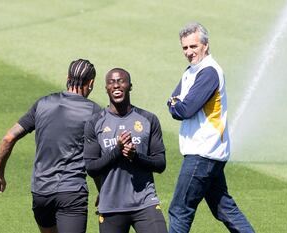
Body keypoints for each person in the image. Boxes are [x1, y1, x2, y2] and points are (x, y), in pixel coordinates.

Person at [0, 59, 101, 233]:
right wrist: (104, 190)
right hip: (71, 192)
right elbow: (97, 157)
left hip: (41, 193)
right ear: (91, 83)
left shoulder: (43, 103)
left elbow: (8, 138)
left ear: (67, 77)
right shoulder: (94, 112)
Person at [167, 22, 255, 233]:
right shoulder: (190, 72)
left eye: (193, 46)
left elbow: (184, 110)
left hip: (201, 153)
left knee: (180, 210)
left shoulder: (208, 73)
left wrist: (176, 104)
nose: (189, 52)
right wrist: (175, 103)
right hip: (210, 154)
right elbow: (172, 102)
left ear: (205, 45)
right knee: (224, 209)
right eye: (185, 48)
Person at [84, 68, 168, 233]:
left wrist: (135, 156)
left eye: (121, 81)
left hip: (145, 202)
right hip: (111, 206)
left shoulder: (148, 119)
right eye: (111, 82)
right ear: (106, 88)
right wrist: (117, 150)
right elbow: (91, 168)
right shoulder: (95, 122)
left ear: (130, 86)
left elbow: (160, 163)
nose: (116, 85)